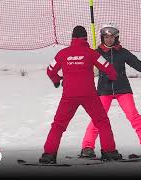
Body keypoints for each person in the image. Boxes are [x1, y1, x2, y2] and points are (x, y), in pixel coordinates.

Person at [80, 23, 141, 158]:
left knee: (133, 116)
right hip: (104, 90)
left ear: (116, 38)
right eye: (106, 37)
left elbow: (138, 65)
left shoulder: (122, 52)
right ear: (102, 38)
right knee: (97, 118)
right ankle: (87, 147)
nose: (108, 40)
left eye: (111, 37)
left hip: (123, 89)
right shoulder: (96, 53)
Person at [40, 25, 122, 164]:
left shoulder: (63, 53)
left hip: (68, 96)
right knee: (102, 122)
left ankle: (49, 155)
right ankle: (109, 152)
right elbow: (108, 68)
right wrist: (113, 78)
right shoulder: (91, 53)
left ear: (72, 38)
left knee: (58, 125)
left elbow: (50, 70)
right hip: (89, 95)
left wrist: (56, 81)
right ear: (85, 38)